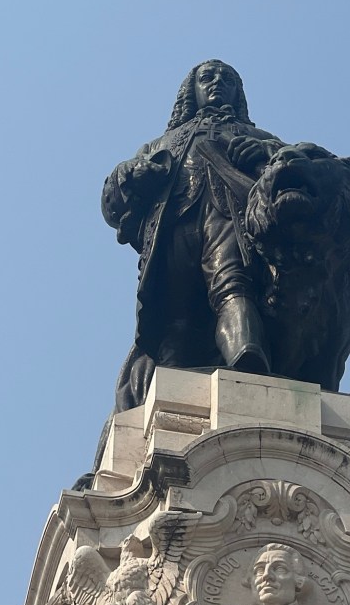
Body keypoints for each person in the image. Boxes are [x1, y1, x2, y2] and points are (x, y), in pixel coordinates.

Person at [102, 60, 284, 415]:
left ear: (237, 93)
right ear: (192, 91)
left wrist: (264, 154)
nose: (217, 83)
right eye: (208, 77)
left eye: (227, 79)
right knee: (175, 312)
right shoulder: (161, 143)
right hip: (172, 229)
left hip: (228, 217)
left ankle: (247, 354)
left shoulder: (259, 137)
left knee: (232, 283)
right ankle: (169, 385)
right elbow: (112, 201)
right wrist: (132, 174)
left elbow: (295, 164)